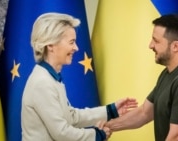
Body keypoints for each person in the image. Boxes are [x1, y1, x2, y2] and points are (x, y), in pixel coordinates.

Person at [21, 12, 138, 141]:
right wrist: (98, 135)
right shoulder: (42, 83)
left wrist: (110, 111)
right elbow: (62, 133)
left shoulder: (50, 78)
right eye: (71, 42)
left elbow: (71, 117)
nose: (76, 48)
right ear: (50, 45)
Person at [105, 14, 178, 141]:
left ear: (175, 46)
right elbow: (144, 113)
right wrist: (108, 127)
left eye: (156, 41)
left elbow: (177, 137)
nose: (150, 45)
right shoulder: (169, 73)